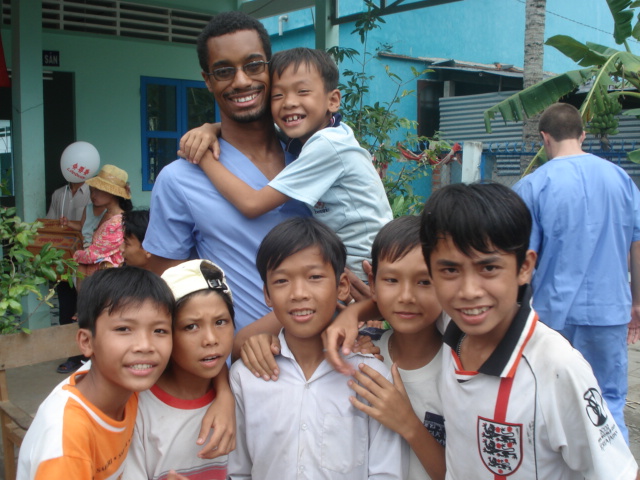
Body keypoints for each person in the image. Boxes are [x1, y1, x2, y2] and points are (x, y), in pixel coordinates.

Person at [418, 182, 637, 478]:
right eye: (450, 270)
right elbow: (397, 305)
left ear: (525, 267)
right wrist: (353, 314)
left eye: (489, 268)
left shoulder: (556, 368)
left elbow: (618, 471)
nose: (468, 291)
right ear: (431, 272)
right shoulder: (451, 326)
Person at [142, 11, 309, 333]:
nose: (242, 81)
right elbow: (168, 291)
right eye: (223, 71)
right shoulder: (180, 179)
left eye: (253, 65)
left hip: (329, 355)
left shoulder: (312, 156)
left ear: (271, 68)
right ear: (207, 80)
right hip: (240, 365)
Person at [186, 47, 392, 281]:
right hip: (344, 264)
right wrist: (210, 128)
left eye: (302, 91)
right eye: (277, 95)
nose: (289, 103)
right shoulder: (317, 134)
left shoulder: (328, 145)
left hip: (361, 273)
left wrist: (201, 156)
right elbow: (247, 131)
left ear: (333, 100)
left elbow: (252, 204)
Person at [228, 217, 404, 479]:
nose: (298, 293)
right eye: (281, 281)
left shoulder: (370, 375)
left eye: (314, 277)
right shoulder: (246, 376)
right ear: (266, 294)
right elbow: (239, 471)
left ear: (342, 286)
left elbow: (386, 472)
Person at [513, 102, 640, 442]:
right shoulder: (622, 180)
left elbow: (523, 259)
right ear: (582, 135)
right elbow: (636, 245)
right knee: (608, 401)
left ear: (545, 138)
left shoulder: (533, 186)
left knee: (550, 401)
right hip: (609, 310)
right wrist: (636, 304)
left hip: (553, 314)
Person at [17, 267, 174, 480]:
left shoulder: (123, 382)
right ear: (87, 342)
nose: (145, 346)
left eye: (160, 331)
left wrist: (223, 395)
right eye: (123, 329)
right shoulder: (67, 441)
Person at [342, 216, 445, 480]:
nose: (406, 296)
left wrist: (408, 423)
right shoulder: (360, 352)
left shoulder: (461, 369)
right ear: (372, 282)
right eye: (392, 280)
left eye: (424, 281)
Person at [125, 260, 234, 479]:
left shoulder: (242, 390)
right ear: (165, 334)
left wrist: (225, 392)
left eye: (221, 322)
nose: (211, 339)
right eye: (191, 326)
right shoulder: (137, 408)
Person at [73, 164, 132, 277]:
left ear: (112, 193)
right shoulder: (107, 214)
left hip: (107, 280)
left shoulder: (117, 223)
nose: (93, 195)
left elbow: (92, 255)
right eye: (93, 190)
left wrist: (74, 255)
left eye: (98, 190)